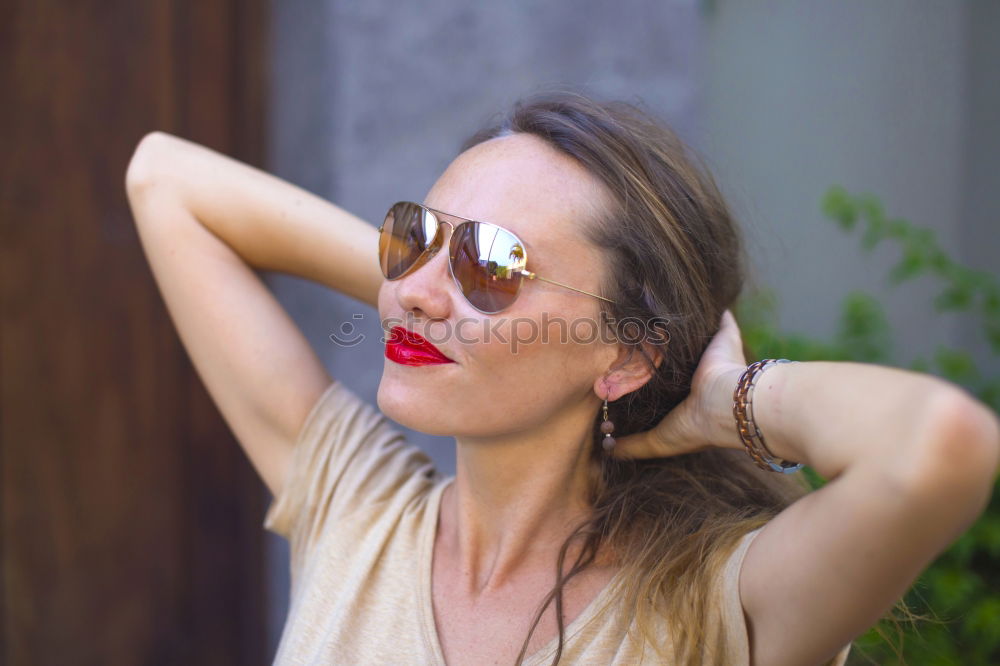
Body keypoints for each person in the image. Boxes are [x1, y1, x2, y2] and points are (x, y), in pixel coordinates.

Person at [125, 92, 999, 665]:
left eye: (498, 263)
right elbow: (163, 178)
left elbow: (935, 447)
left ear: (624, 357)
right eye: (414, 233)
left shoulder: (715, 605)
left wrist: (719, 396)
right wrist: (425, 288)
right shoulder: (359, 514)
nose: (420, 282)